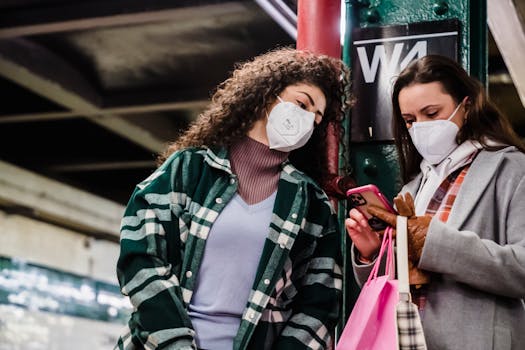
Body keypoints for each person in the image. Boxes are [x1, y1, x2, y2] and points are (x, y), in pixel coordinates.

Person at [115, 47, 352, 350]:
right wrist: (174, 342)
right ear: (268, 94)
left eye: (316, 117)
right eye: (301, 103)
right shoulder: (188, 169)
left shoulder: (312, 204)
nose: (307, 120)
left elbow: (319, 304)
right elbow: (140, 257)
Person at [345, 54, 525, 349]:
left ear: (466, 106)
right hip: (412, 339)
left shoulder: (511, 169)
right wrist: (373, 254)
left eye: (432, 112)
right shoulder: (414, 186)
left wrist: (434, 242)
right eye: (410, 120)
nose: (421, 127)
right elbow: (399, 280)